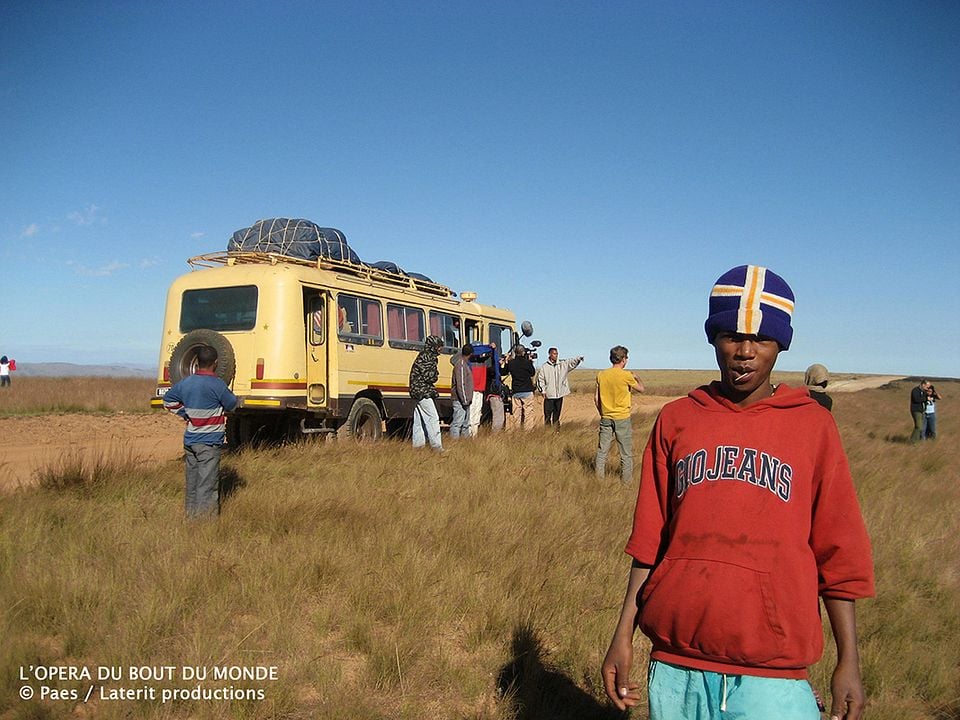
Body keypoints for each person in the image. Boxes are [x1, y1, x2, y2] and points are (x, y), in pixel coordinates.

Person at [602, 264, 874, 720]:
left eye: (761, 340)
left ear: (781, 344)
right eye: (731, 335)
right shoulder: (678, 419)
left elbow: (837, 548)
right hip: (676, 664)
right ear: (712, 338)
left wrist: (850, 659)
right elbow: (650, 540)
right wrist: (623, 631)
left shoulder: (813, 426)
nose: (745, 352)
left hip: (774, 672)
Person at [162, 346, 239, 518]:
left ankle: (191, 517)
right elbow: (232, 404)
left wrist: (186, 413)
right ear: (216, 363)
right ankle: (205, 525)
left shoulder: (186, 383)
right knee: (207, 484)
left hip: (191, 440)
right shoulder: (217, 385)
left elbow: (168, 401)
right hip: (209, 442)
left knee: (193, 482)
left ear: (197, 362)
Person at [594, 346, 645, 482]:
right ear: (623, 359)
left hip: (606, 417)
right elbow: (641, 389)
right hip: (622, 417)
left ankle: (599, 480)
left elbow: (596, 398)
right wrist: (637, 377)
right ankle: (626, 482)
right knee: (625, 453)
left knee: (602, 451)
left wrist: (603, 412)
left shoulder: (601, 374)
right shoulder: (626, 375)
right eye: (626, 357)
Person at [409, 335, 444, 451]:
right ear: (434, 346)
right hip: (422, 391)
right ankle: (437, 447)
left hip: (417, 391)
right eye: (439, 347)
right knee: (433, 418)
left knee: (418, 420)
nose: (440, 349)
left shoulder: (423, 355)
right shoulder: (428, 357)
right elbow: (429, 376)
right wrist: (436, 374)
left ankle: (418, 446)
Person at [536, 347, 584, 429]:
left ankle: (556, 430)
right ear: (550, 354)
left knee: (557, 415)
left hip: (559, 395)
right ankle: (547, 431)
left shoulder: (562, 364)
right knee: (547, 415)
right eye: (554, 354)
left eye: (557, 354)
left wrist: (578, 359)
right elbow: (540, 379)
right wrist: (543, 391)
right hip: (549, 395)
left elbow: (571, 363)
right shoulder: (544, 367)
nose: (556, 355)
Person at [504, 345, 539, 430]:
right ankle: (528, 432)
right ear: (523, 353)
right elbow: (532, 373)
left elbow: (504, 371)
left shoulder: (511, 363)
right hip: (527, 390)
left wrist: (506, 361)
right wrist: (530, 362)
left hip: (516, 391)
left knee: (516, 413)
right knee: (528, 413)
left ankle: (517, 431)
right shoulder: (526, 363)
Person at [450, 343, 474, 439]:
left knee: (465, 424)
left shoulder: (464, 364)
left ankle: (465, 443)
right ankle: (454, 444)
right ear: (470, 354)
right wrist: (464, 400)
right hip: (460, 400)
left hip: (465, 399)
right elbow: (461, 384)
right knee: (457, 423)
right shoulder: (461, 365)